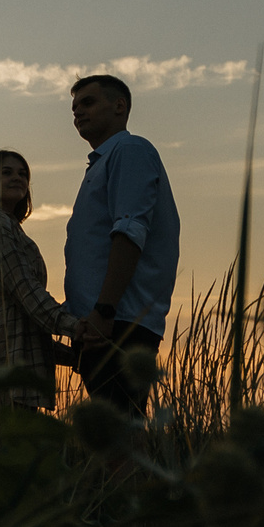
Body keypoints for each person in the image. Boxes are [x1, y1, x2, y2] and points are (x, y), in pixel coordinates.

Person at [64, 74, 179, 415]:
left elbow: (130, 231)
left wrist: (105, 310)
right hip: (104, 324)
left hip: (119, 321)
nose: (78, 113)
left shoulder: (129, 150)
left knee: (120, 435)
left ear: (119, 106)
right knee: (116, 436)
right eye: (74, 108)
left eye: (88, 102)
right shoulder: (101, 165)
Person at [0, 149, 82, 433]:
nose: (17, 178)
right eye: (6, 172)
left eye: (23, 173)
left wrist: (74, 357)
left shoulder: (7, 224)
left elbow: (27, 322)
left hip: (11, 346)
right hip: (0, 351)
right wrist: (75, 327)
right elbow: (24, 289)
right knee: (1, 446)